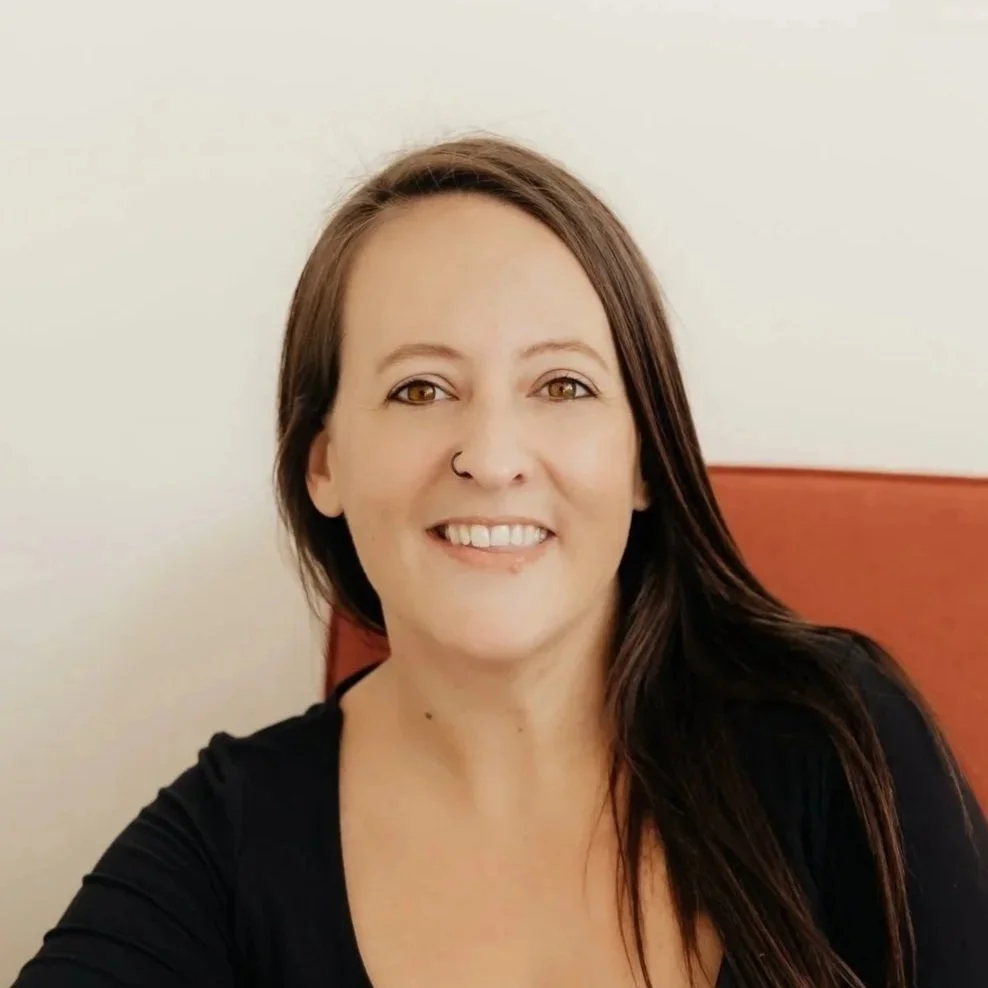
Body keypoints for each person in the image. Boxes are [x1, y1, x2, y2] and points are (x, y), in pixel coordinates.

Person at [13, 134, 988, 988]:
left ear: (644, 457)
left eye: (561, 383)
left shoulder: (837, 740)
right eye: (420, 388)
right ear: (325, 462)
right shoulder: (226, 840)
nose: (490, 454)